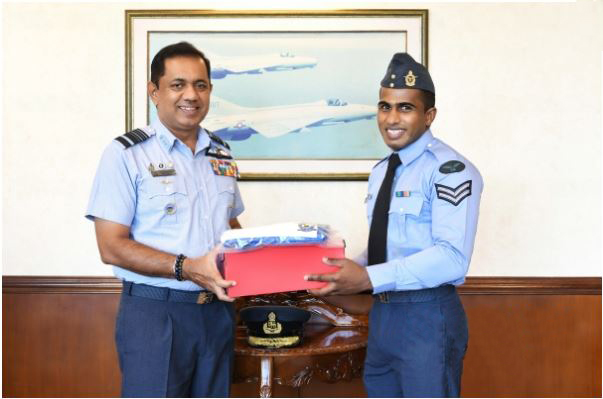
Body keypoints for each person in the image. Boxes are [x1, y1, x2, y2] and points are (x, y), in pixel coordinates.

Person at [306, 53, 483, 397]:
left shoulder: (450, 170)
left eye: (405, 108)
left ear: (428, 115)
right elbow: (384, 246)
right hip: (383, 315)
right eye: (385, 107)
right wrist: (340, 272)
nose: (391, 118)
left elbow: (452, 258)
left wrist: (367, 277)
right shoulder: (382, 171)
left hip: (427, 317)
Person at [86, 41, 244, 397]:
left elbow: (229, 226)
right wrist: (187, 268)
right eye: (178, 84)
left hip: (217, 314)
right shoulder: (126, 154)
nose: (191, 94)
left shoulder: (221, 153)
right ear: (154, 92)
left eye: (200, 85)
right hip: (156, 313)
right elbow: (110, 247)